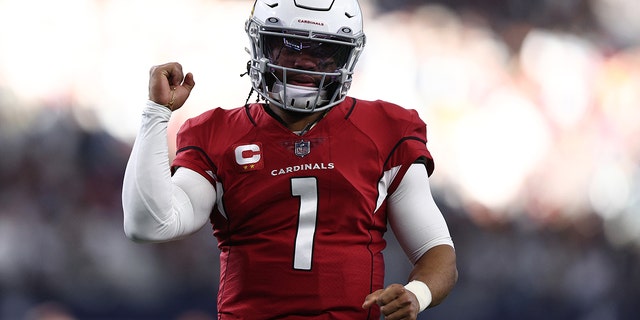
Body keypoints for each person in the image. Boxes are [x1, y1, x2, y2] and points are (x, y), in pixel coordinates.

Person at [122, 0, 457, 319]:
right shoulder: (217, 133)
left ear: (347, 56)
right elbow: (150, 223)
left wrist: (418, 294)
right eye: (289, 44)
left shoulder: (385, 130)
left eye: (324, 50)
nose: (305, 62)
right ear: (260, 44)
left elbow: (437, 251)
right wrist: (156, 112)